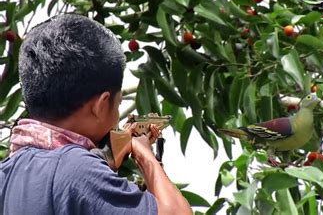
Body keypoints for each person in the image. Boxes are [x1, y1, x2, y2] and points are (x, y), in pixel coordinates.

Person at [0, 14, 192, 215]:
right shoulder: (76, 168)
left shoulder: (7, 172)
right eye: (117, 105)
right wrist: (144, 153)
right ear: (101, 105)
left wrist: (111, 153)